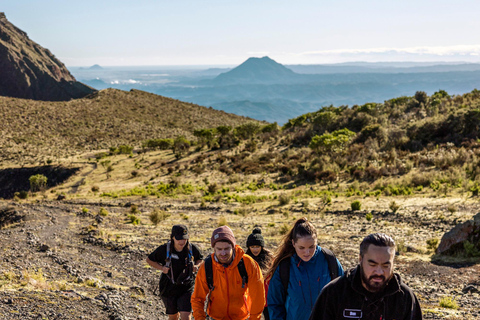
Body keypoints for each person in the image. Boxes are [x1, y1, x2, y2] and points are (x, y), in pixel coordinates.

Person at [309, 233, 423, 320]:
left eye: (385, 265)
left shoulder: (405, 298)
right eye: (372, 264)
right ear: (360, 259)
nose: (379, 272)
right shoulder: (334, 293)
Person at [267, 217, 344, 320]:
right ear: (293, 243)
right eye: (301, 248)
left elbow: (344, 295)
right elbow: (275, 304)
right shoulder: (285, 267)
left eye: (312, 247)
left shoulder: (329, 260)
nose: (307, 253)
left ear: (317, 241)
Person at [191, 225, 266, 320]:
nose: (223, 253)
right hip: (216, 317)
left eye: (226, 249)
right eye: (219, 249)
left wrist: (254, 318)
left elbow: (258, 297)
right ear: (214, 248)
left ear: (233, 246)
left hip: (241, 317)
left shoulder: (248, 264)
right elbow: (197, 298)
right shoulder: (207, 267)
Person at [146, 224, 203, 320]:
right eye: (179, 239)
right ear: (172, 237)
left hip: (186, 286)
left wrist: (196, 266)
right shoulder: (164, 249)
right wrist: (161, 268)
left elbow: (200, 259)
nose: (182, 241)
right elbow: (149, 260)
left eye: (184, 238)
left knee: (186, 316)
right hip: (168, 287)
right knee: (173, 317)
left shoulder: (192, 248)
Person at [245, 227, 273, 320]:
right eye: (252, 247)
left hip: (267, 297)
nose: (255, 249)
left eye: (257, 246)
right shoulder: (244, 260)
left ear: (262, 246)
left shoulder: (269, 259)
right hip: (251, 296)